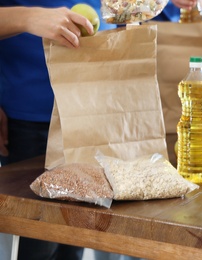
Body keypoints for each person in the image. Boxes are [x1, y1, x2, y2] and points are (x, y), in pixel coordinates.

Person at [0, 1, 117, 259]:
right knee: (37, 246)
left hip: (90, 113)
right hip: (28, 117)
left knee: (74, 242)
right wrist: (29, 17)